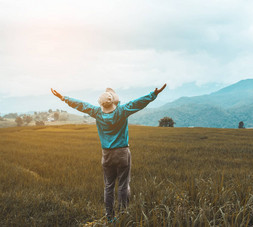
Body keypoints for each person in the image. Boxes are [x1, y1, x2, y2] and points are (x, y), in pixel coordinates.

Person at [51, 84, 166, 222]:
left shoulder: (97, 112)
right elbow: (138, 103)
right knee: (123, 185)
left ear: (101, 104)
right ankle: (123, 215)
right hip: (123, 153)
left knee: (108, 186)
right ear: (113, 102)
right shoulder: (121, 111)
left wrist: (63, 97)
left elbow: (80, 105)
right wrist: (153, 94)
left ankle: (110, 217)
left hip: (107, 155)